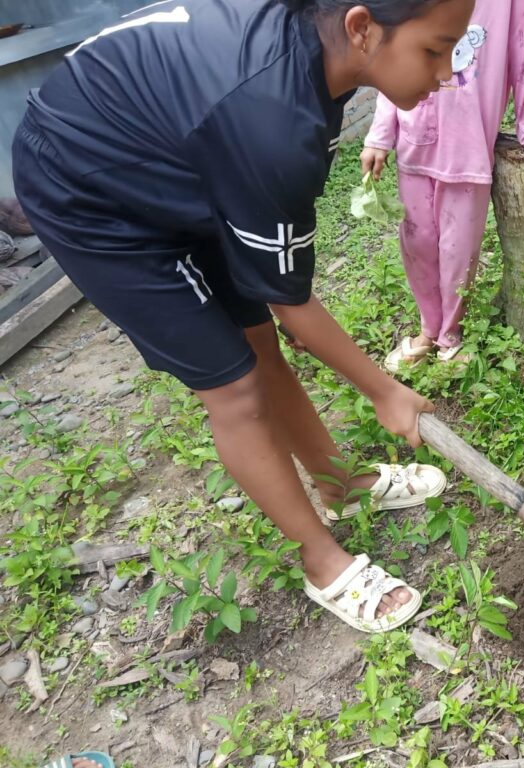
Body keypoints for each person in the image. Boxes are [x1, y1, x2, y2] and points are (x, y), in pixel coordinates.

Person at [12, 0, 474, 633]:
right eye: (434, 49)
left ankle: (341, 484)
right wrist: (385, 391)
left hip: (175, 153)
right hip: (90, 186)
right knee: (233, 385)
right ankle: (322, 561)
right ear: (361, 28)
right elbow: (294, 304)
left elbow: (277, 308)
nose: (446, 72)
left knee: (258, 341)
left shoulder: (309, 58)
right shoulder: (271, 119)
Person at [360, 0, 524, 371]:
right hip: (413, 140)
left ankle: (450, 336)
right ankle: (428, 330)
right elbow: (392, 46)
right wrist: (380, 134)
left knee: (458, 249)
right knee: (417, 242)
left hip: (469, 146)